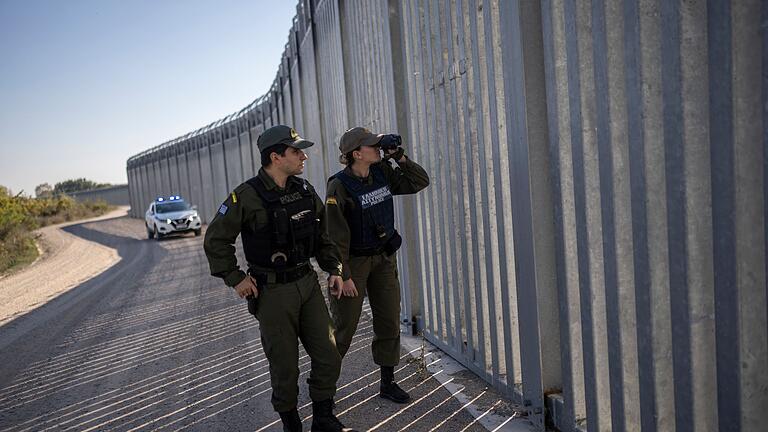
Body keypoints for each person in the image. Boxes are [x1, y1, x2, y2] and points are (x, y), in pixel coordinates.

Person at [203, 125, 357, 432]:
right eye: (296, 151)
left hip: (307, 283)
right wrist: (236, 278)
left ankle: (323, 418)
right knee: (284, 366)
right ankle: (292, 424)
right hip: (273, 293)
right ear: (275, 156)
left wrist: (334, 270)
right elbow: (215, 240)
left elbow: (323, 235)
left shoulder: (304, 190)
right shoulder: (246, 196)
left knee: (329, 355)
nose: (303, 157)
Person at [325, 127, 429, 404]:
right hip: (354, 264)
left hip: (383, 259)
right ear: (356, 154)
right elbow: (335, 236)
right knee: (344, 326)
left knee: (388, 321)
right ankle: (323, 389)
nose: (378, 148)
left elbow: (419, 182)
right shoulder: (339, 185)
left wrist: (400, 158)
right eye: (373, 146)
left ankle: (388, 382)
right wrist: (343, 274)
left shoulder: (382, 171)